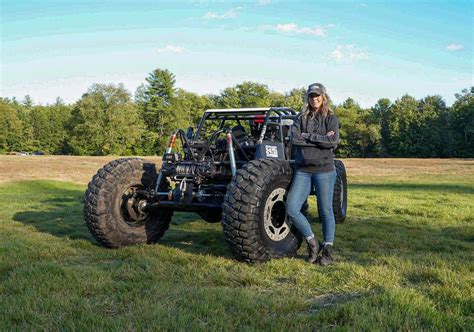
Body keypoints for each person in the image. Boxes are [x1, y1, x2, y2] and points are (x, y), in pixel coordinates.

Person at [287, 83, 340, 265]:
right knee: (292, 208)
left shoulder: (331, 118)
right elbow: (295, 139)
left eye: (317, 95)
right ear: (307, 98)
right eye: (311, 96)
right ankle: (312, 242)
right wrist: (321, 139)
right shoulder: (300, 118)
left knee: (325, 211)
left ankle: (327, 250)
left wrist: (308, 136)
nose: (314, 98)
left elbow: (332, 142)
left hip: (324, 170)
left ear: (323, 96)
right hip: (303, 170)